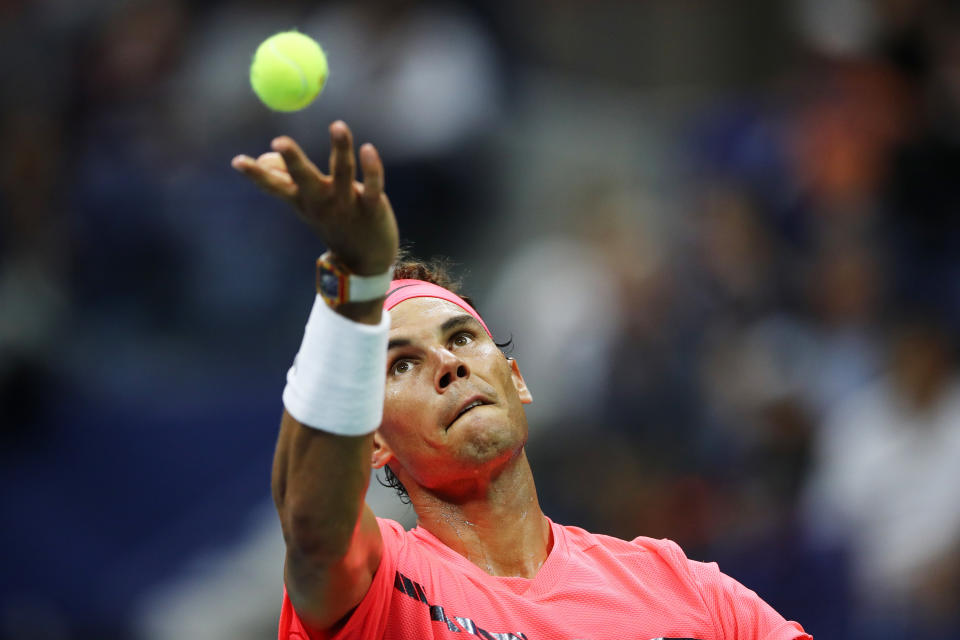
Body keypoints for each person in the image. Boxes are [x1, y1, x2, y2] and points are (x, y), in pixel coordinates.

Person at [231, 121, 812, 640]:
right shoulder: (384, 587)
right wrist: (356, 286)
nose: (449, 365)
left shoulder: (681, 586)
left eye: (462, 338)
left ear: (516, 380)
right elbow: (313, 527)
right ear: (373, 439)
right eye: (401, 364)